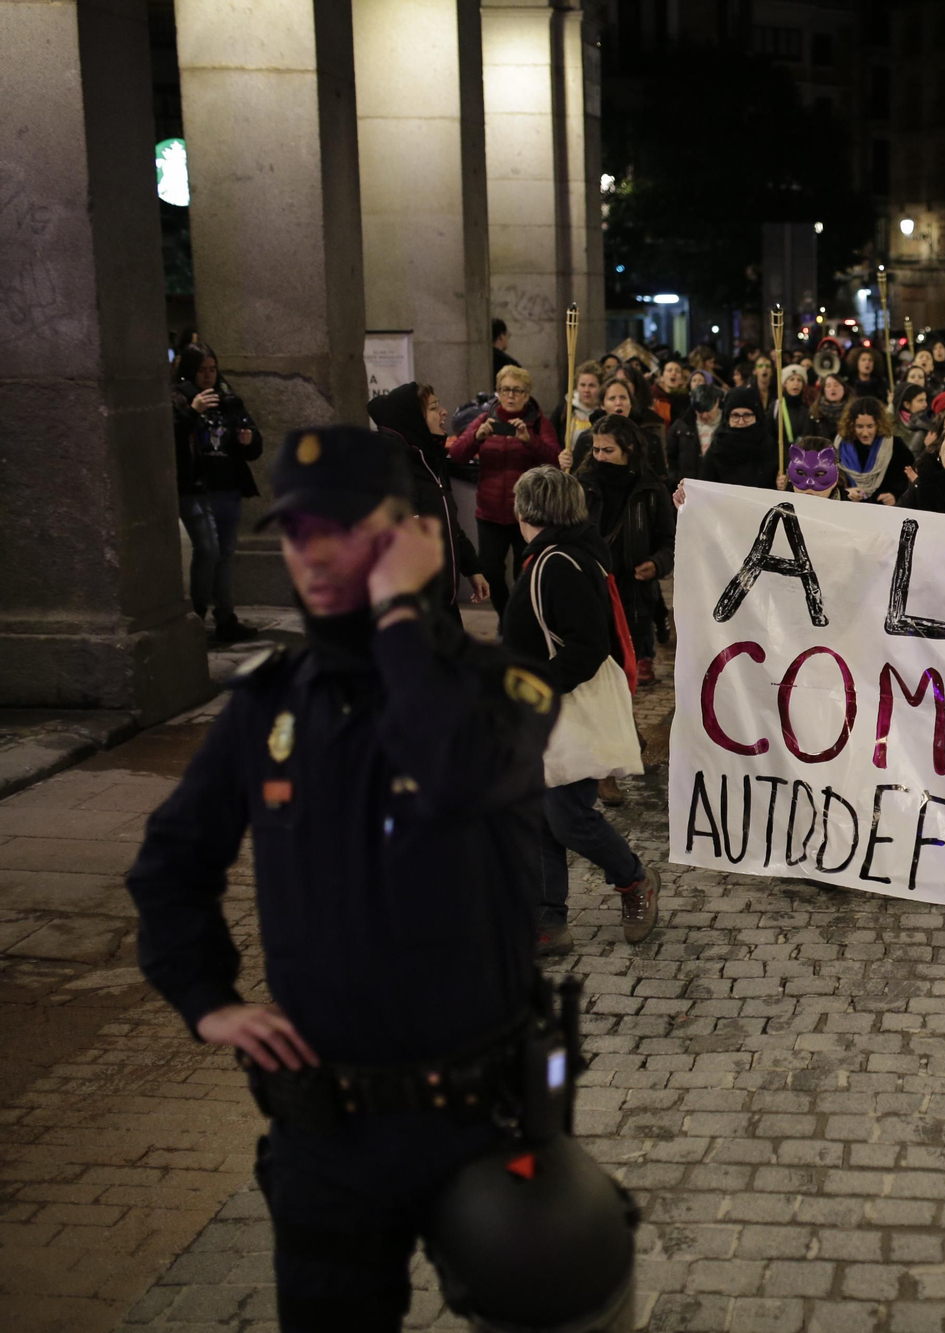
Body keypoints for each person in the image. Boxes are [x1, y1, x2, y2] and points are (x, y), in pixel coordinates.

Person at [126, 425, 561, 1331]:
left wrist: (402, 615)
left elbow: (454, 772)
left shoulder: (500, 684)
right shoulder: (270, 702)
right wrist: (207, 996)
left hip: (483, 1125)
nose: (311, 552)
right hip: (328, 1134)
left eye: (341, 526)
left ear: (409, 533)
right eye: (293, 531)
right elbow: (171, 861)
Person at [504, 466, 658, 957]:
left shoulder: (556, 563)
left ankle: (635, 880)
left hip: (562, 706)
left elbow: (587, 645)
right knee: (541, 812)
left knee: (567, 816)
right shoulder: (563, 554)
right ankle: (548, 919)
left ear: (529, 509)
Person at [367, 382, 489, 626]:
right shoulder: (393, 467)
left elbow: (448, 521)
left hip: (443, 603)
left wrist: (471, 567)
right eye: (434, 408)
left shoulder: (430, 460)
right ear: (414, 419)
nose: (444, 412)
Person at [447, 364, 561, 621]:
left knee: (526, 573)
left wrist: (529, 440)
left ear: (527, 394)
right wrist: (477, 436)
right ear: (497, 392)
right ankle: (507, 617)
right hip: (490, 512)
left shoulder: (538, 423)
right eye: (505, 389)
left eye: (517, 390)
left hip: (528, 514)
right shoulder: (485, 418)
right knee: (490, 572)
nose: (511, 395)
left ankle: (523, 622)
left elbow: (555, 461)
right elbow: (456, 456)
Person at [171, 346, 263, 643]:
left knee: (223, 555)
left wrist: (248, 440)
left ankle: (226, 618)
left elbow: (252, 442)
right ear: (190, 370)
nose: (208, 375)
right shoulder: (178, 398)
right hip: (196, 488)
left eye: (212, 368)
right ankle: (197, 615)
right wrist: (192, 410)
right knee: (207, 550)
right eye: (202, 369)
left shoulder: (228, 398)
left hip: (228, 486)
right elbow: (168, 435)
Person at [577, 415, 673, 690]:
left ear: (628, 448)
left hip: (634, 591)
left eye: (608, 450)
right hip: (592, 585)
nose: (600, 457)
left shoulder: (651, 490)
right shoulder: (582, 485)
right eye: (596, 450)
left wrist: (657, 564)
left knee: (625, 670)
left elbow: (669, 542)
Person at [697, 386, 779, 489]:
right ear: (727, 417)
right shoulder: (717, 448)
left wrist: (781, 484)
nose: (741, 422)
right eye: (735, 416)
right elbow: (705, 487)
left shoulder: (770, 447)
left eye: (747, 415)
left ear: (757, 417)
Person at [834, 397, 911, 505]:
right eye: (859, 426)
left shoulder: (896, 446)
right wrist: (845, 492)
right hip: (848, 509)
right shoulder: (839, 447)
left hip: (883, 511)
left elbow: (909, 479)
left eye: (870, 426)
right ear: (851, 425)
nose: (865, 433)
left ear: (879, 424)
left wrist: (896, 496)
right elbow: (830, 482)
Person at [665, 382, 723, 488]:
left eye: (708, 410)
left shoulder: (727, 425)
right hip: (689, 489)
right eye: (700, 411)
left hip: (719, 489)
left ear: (717, 403)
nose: (704, 415)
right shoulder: (682, 426)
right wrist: (674, 480)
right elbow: (669, 456)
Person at [563, 366, 603, 450]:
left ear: (601, 387)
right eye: (582, 385)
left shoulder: (605, 411)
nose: (586, 390)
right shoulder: (567, 409)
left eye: (591, 385)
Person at [775, 363, 812, 444]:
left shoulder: (809, 405)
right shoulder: (776, 406)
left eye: (799, 380)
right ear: (785, 384)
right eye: (792, 379)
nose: (796, 383)